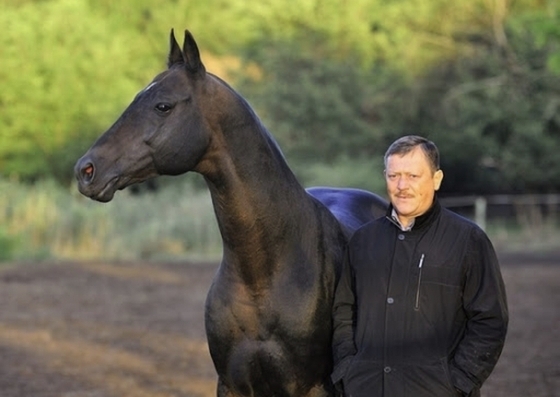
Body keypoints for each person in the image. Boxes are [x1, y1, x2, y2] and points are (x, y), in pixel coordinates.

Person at [331, 135, 508, 397]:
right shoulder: (362, 241)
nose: (402, 185)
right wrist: (348, 370)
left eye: (413, 176)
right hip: (366, 388)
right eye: (394, 176)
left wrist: (458, 383)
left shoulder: (468, 240)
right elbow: (344, 311)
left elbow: (490, 320)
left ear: (436, 179)